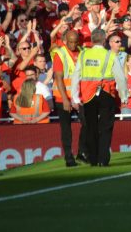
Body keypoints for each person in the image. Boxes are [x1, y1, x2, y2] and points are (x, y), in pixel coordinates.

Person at [71, 29, 129, 167]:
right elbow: (120, 78)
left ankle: (93, 158)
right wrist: (124, 96)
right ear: (104, 41)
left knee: (91, 126)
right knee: (106, 127)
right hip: (106, 93)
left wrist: (75, 96)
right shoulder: (110, 55)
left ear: (91, 40)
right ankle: (103, 159)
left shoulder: (84, 54)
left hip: (88, 95)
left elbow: (76, 75)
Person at [52, 30, 88, 167]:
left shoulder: (82, 52)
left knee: (87, 123)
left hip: (79, 96)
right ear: (65, 41)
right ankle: (69, 157)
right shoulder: (60, 54)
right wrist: (66, 99)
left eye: (75, 42)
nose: (73, 44)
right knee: (66, 129)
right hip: (64, 97)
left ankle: (82, 152)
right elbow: (59, 79)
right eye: (70, 42)